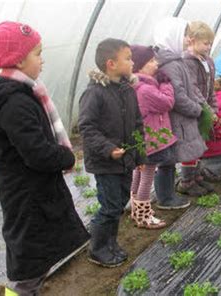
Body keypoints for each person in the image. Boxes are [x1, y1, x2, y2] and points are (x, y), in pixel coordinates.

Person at [0, 21, 89, 294]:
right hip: (26, 194)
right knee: (29, 265)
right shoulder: (15, 102)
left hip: (32, 189)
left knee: (36, 259)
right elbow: (36, 152)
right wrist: (66, 157)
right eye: (37, 53)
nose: (42, 60)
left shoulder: (23, 94)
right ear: (19, 60)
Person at [79, 38, 145, 267]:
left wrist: (140, 155)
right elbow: (87, 127)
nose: (132, 61)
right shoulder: (94, 93)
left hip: (125, 159)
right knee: (109, 206)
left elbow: (138, 123)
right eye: (127, 58)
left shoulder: (127, 89)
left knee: (119, 203)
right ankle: (97, 249)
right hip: (106, 162)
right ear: (111, 64)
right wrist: (108, 149)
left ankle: (111, 244)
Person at [153, 17, 209, 198]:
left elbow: (190, 88)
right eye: (185, 35)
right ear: (173, 36)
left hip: (184, 118)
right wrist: (196, 109)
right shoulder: (170, 65)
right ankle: (168, 196)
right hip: (178, 119)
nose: (187, 39)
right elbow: (178, 96)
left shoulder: (177, 60)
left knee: (184, 153)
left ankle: (190, 181)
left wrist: (202, 105)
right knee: (168, 160)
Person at [129, 45, 179, 229]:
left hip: (141, 140)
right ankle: (144, 215)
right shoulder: (145, 89)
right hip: (151, 141)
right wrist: (166, 84)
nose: (155, 64)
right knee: (147, 174)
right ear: (139, 66)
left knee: (139, 172)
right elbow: (166, 102)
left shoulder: (137, 86)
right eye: (150, 61)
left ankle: (135, 209)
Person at [183, 21, 219, 194]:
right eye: (205, 43)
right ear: (192, 40)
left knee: (200, 144)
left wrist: (214, 107)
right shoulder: (188, 62)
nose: (209, 46)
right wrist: (205, 108)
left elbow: (211, 87)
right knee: (191, 147)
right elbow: (193, 88)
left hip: (204, 111)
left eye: (210, 43)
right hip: (193, 111)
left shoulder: (208, 61)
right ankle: (186, 181)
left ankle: (196, 177)